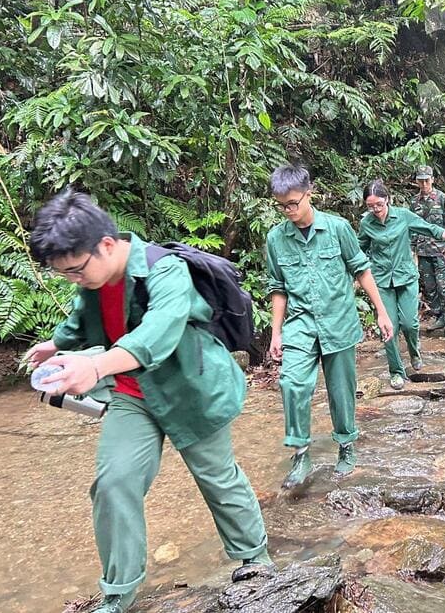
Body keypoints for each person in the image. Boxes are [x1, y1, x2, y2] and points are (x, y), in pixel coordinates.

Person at [24, 191, 273, 613]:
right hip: (132, 393)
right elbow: (84, 318)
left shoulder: (165, 270)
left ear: (106, 245)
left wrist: (96, 367)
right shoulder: (93, 278)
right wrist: (56, 344)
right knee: (113, 483)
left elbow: (158, 332)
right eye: (64, 274)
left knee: (217, 477)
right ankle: (118, 594)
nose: (74, 279)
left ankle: (257, 559)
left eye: (76, 270)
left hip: (193, 390)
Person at [265, 165, 394, 489]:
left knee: (341, 391)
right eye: (282, 206)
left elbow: (361, 270)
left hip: (338, 321)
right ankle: (301, 454)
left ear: (310, 194)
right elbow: (278, 287)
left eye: (294, 202)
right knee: (291, 382)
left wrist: (381, 312)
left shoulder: (338, 229)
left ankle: (346, 446)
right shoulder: (276, 239)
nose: (289, 211)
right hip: (300, 323)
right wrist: (276, 333)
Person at [359, 180, 445, 390]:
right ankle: (396, 371)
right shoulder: (366, 224)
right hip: (381, 281)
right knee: (388, 328)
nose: (375, 210)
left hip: (406, 278)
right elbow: (359, 249)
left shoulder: (403, 216)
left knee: (410, 324)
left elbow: (431, 230)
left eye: (379, 205)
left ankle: (414, 352)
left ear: (387, 200)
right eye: (370, 206)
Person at [410, 165, 445, 332]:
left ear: (432, 180)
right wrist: (412, 249)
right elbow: (412, 227)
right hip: (423, 251)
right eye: (420, 181)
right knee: (430, 287)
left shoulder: (443, 198)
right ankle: (438, 316)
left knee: (443, 286)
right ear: (416, 181)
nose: (424, 184)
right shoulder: (414, 202)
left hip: (441, 250)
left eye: (426, 181)